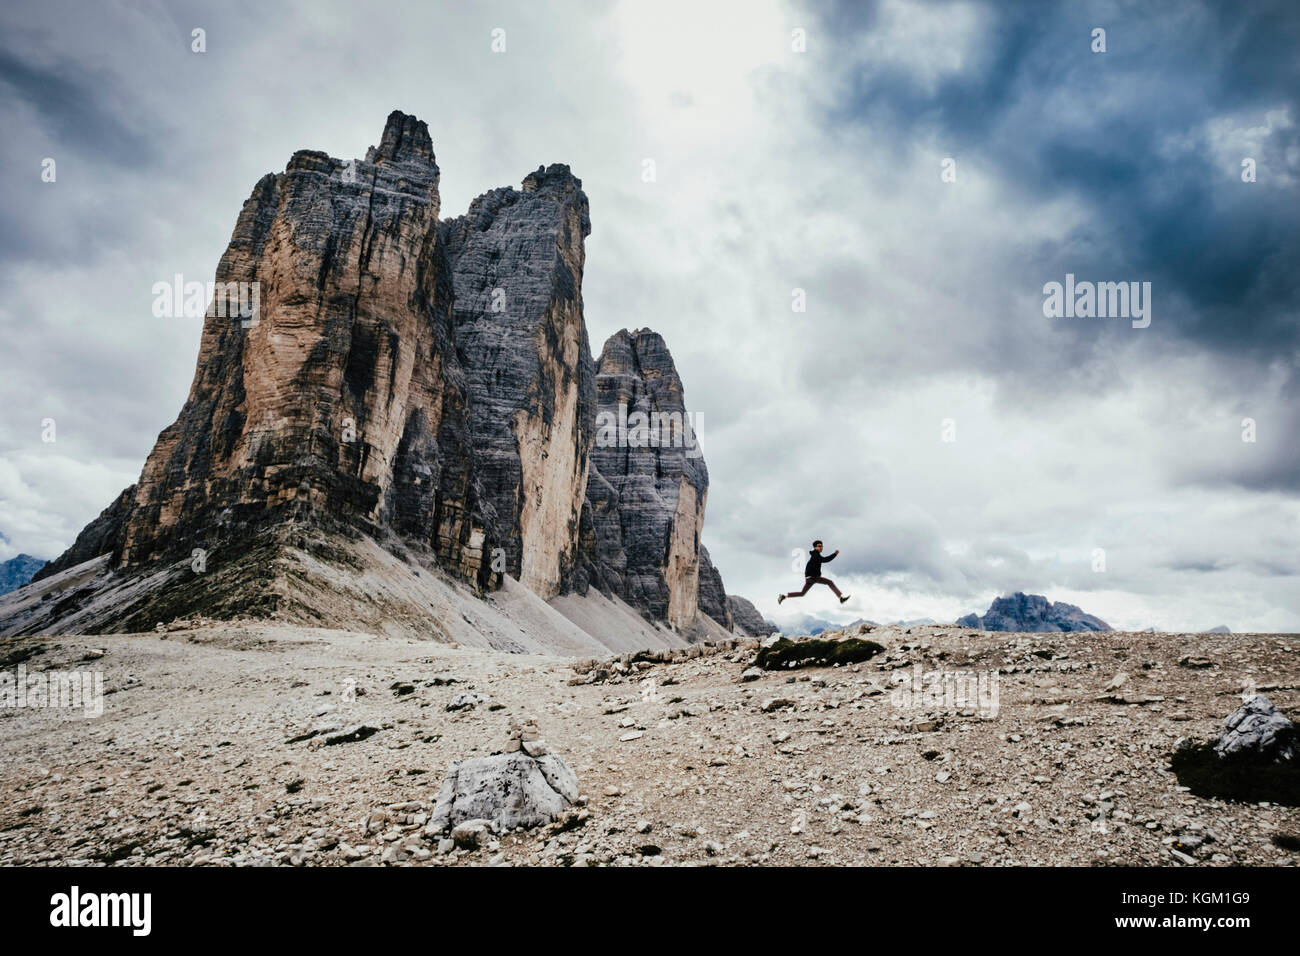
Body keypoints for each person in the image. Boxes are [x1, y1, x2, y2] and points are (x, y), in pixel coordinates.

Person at [778, 540, 850, 604]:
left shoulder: (815, 555)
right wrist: (835, 554)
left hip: (809, 578)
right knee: (829, 582)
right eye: (819, 546)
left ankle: (784, 596)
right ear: (815, 547)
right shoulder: (816, 554)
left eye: (822, 546)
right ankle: (841, 598)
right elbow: (825, 560)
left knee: (802, 593)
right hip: (813, 577)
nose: (821, 547)